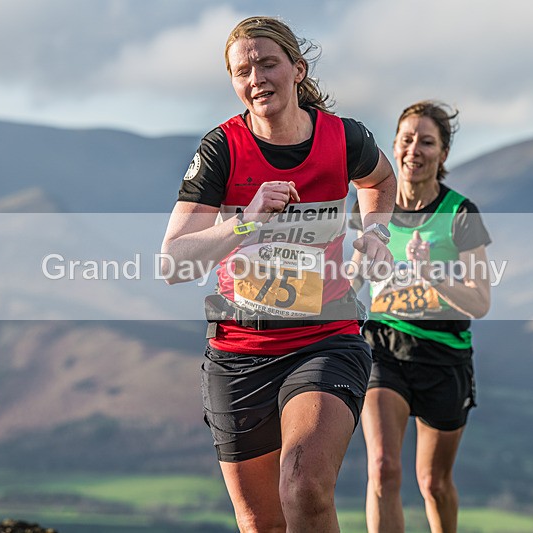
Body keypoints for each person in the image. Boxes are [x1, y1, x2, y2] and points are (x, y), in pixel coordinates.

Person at [160, 16, 396, 533]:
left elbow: (380, 179)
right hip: (239, 351)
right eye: (242, 71)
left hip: (325, 339)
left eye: (268, 64)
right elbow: (174, 262)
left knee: (304, 489)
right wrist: (247, 222)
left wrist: (376, 233)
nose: (256, 79)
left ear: (297, 69)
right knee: (259, 522)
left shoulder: (343, 138)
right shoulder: (222, 149)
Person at [350, 100, 492, 533]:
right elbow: (353, 280)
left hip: (444, 355)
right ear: (394, 145)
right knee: (383, 469)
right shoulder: (371, 208)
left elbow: (480, 301)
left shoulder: (460, 214)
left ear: (443, 153)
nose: (414, 150)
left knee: (434, 483)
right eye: (407, 140)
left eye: (426, 142)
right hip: (383, 347)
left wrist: (431, 274)